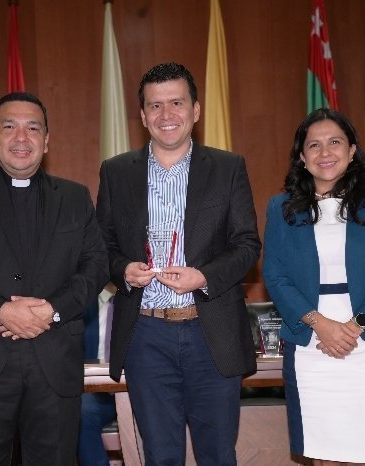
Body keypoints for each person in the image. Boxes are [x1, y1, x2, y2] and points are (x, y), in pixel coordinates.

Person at [96, 62, 261, 465]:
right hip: (146, 335)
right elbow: (102, 248)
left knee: (218, 455)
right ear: (142, 115)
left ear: (196, 110)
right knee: (160, 456)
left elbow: (246, 245)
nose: (166, 115)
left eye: (176, 103)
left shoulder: (227, 167)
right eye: (155, 106)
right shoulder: (116, 172)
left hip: (211, 332)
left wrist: (203, 276)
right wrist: (123, 271)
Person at [0, 91, 108, 465]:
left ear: (47, 140)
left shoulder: (75, 198)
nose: (21, 138)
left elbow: (95, 267)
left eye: (33, 128)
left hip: (54, 364)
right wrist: (0, 310)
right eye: (9, 127)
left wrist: (53, 310)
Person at [263, 108, 365, 465]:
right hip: (311, 344)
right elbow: (275, 275)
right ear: (302, 156)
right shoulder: (282, 208)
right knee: (324, 454)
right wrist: (321, 325)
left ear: (352, 150)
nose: (324, 152)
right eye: (314, 145)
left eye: (334, 142)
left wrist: (354, 326)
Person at [78, 284, 118, 465]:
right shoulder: (83, 303)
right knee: (80, 410)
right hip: (100, 394)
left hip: (143, 388)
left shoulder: (147, 302)